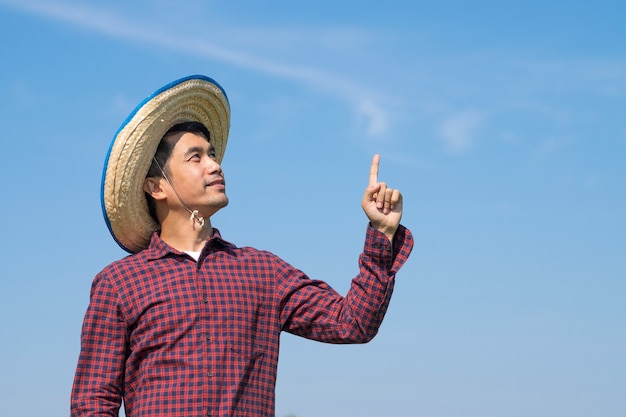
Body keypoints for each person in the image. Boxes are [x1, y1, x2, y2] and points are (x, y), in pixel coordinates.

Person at [71, 75, 413, 417]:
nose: (215, 165)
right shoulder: (119, 284)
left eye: (213, 154)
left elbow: (351, 322)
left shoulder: (263, 271)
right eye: (195, 157)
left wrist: (381, 233)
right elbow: (93, 403)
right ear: (156, 187)